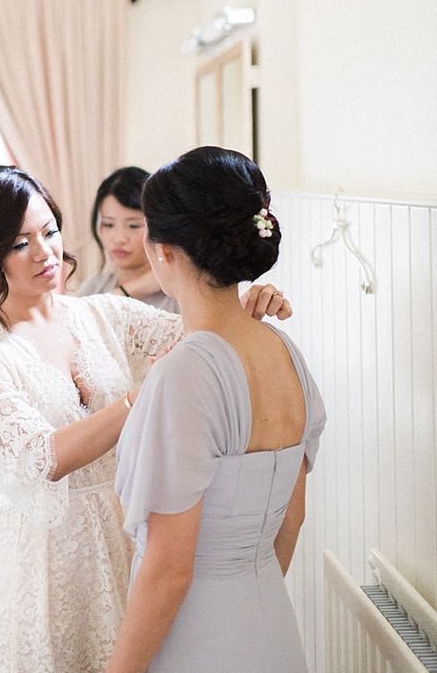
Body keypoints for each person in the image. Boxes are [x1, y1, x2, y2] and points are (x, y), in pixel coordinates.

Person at [0, 165, 291, 672]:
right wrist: (138, 398)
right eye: (19, 244)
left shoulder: (104, 314)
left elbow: (196, 333)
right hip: (43, 567)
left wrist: (248, 302)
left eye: (49, 231)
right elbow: (43, 458)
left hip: (127, 541)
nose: (44, 252)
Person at [108, 147, 326, 672]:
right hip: (270, 623)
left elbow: (168, 571)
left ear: (164, 251)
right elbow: (290, 521)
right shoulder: (285, 353)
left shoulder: (183, 374)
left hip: (196, 637)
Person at [79, 166, 176, 311]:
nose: (119, 239)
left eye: (133, 226)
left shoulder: (175, 293)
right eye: (108, 224)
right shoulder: (94, 286)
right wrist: (130, 289)